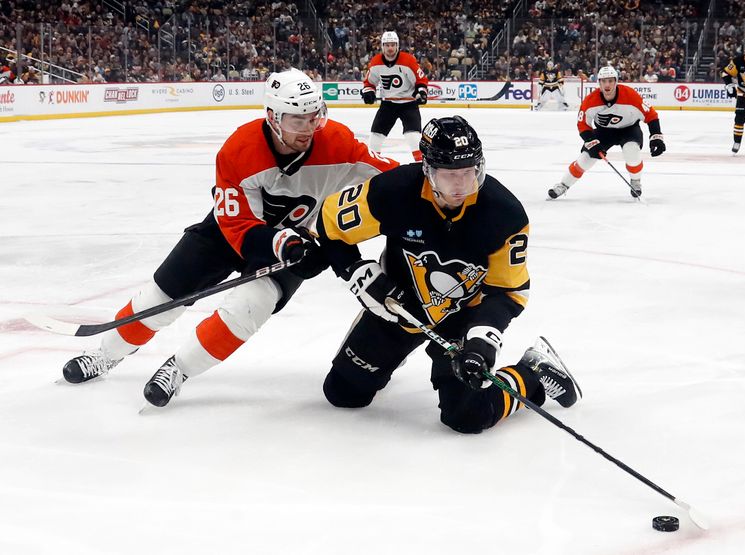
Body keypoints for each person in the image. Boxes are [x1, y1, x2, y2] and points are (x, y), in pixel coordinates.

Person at [61, 68, 399, 408]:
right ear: (273, 117)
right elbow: (238, 226)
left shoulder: (337, 142)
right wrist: (280, 243)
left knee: (247, 309)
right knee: (161, 296)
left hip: (295, 246)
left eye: (314, 117)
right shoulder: (239, 150)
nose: (309, 128)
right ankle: (106, 354)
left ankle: (178, 370)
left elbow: (394, 178)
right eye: (298, 120)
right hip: (228, 232)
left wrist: (434, 177)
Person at [315, 116, 581, 434]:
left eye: (469, 172)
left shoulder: (503, 213)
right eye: (451, 175)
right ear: (428, 170)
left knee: (468, 417)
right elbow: (327, 227)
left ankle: (531, 373)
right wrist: (358, 272)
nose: (461, 185)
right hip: (398, 306)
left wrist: (482, 339)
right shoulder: (393, 191)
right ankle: (388, 354)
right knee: (343, 394)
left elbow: (508, 291)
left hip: (461, 319)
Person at [548, 65, 665, 199]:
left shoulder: (631, 95)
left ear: (616, 81)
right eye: (603, 81)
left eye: (610, 81)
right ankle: (563, 185)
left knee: (631, 152)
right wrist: (592, 142)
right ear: (599, 83)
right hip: (603, 132)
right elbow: (583, 124)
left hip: (629, 130)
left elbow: (651, 115)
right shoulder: (590, 100)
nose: (607, 85)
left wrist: (656, 137)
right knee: (585, 159)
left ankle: (636, 181)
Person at [361, 31, 429, 161]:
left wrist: (421, 92)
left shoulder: (408, 60)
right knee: (376, 136)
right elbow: (369, 82)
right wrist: (369, 92)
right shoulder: (376, 62)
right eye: (387, 45)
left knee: (413, 137)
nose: (390, 48)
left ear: (397, 46)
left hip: (409, 104)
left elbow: (421, 80)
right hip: (388, 105)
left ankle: (422, 167)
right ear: (382, 46)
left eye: (393, 45)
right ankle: (373, 164)